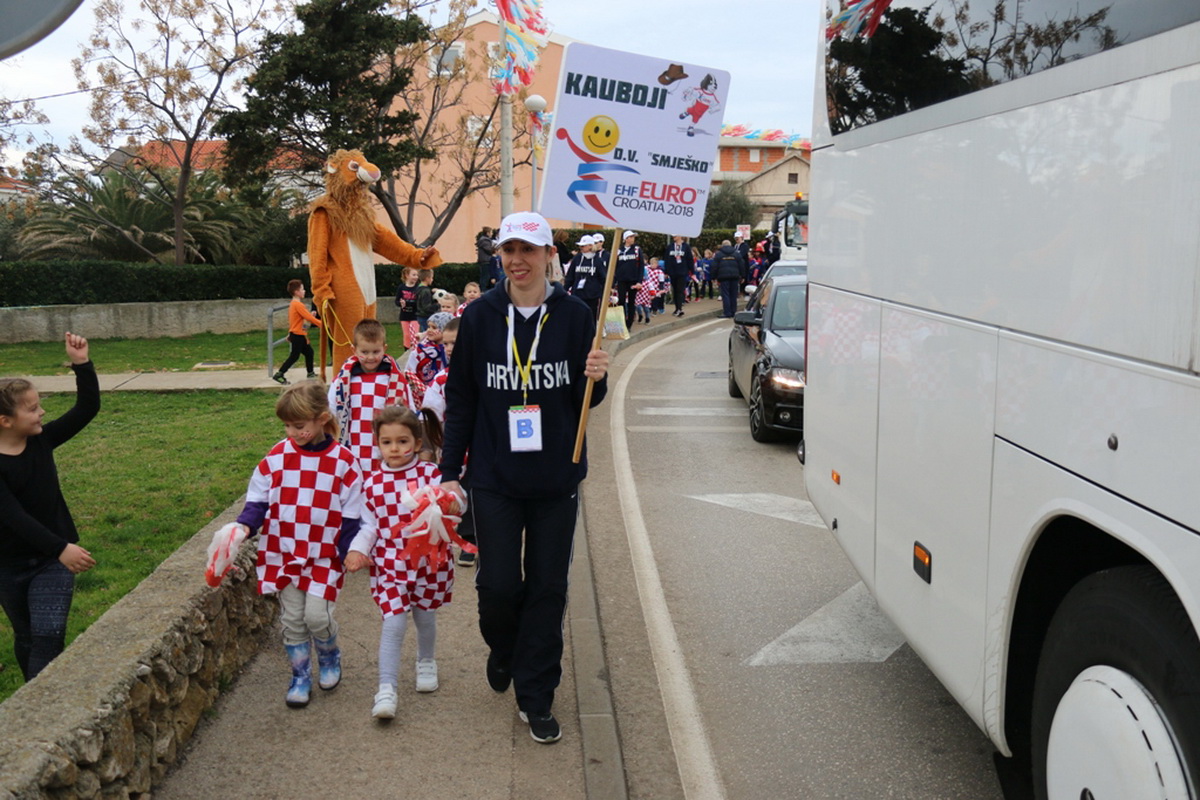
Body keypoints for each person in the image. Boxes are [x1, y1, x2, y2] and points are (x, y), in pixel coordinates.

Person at [439, 211, 610, 745]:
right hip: (493, 475)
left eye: (527, 251)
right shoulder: (481, 316)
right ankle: (504, 648)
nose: (517, 261)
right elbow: (462, 396)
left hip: (556, 478)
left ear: (547, 255)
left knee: (548, 588)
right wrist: (449, 473)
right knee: (497, 586)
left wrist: (597, 379)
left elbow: (586, 401)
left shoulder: (579, 314)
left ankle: (536, 695)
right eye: (508, 251)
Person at [234, 381, 363, 708]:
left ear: (322, 419)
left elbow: (352, 514)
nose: (292, 432)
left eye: (299, 425)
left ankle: (330, 654)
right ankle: (300, 674)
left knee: (317, 617)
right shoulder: (278, 455)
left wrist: (349, 551)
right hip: (284, 552)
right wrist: (244, 526)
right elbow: (258, 496)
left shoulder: (344, 462)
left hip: (324, 555)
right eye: (287, 426)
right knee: (292, 620)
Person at [0, 332, 98, 682]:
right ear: (5, 421)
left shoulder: (42, 441)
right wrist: (62, 547)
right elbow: (12, 517)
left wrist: (82, 364)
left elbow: (87, 408)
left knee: (48, 633)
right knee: (26, 635)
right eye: (32, 408)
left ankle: (40, 713)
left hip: (52, 561)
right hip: (8, 564)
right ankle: (32, 700)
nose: (42, 412)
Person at [344, 405, 452, 719]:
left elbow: (454, 504)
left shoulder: (432, 476)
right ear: (377, 444)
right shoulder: (372, 485)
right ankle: (386, 689)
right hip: (389, 566)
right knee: (393, 625)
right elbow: (369, 525)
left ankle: (426, 661)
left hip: (428, 564)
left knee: (425, 617)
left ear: (417, 443)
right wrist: (357, 550)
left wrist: (450, 503)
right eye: (387, 442)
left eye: (403, 441)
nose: (395, 448)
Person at [328, 319, 415, 475]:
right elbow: (332, 412)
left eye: (376, 352)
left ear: (384, 349)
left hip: (386, 450)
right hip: (352, 448)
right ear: (354, 350)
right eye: (365, 352)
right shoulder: (342, 382)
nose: (370, 357)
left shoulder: (396, 381)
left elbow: (410, 415)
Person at [274, 279, 322, 385]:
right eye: (302, 289)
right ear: (296, 292)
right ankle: (279, 374)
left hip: (298, 334)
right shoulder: (298, 305)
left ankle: (310, 373)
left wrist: (290, 333)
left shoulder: (294, 304)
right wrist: (323, 325)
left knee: (309, 352)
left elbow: (300, 319)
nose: (304, 291)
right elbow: (309, 318)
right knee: (294, 356)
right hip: (297, 335)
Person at [564, 233, 607, 322]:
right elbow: (570, 276)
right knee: (577, 318)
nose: (581, 248)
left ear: (591, 246)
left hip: (592, 296)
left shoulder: (598, 260)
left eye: (583, 246)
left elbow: (603, 278)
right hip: (577, 294)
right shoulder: (577, 258)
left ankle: (591, 335)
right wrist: (564, 290)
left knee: (590, 318)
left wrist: (605, 293)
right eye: (580, 246)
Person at [403, 311, 452, 387]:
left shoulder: (450, 350)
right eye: (429, 326)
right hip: (423, 389)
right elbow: (410, 369)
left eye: (434, 327)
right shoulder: (421, 350)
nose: (429, 330)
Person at [614, 230, 645, 331]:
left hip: (633, 280)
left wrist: (639, 281)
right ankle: (622, 322)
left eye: (633, 237)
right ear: (626, 239)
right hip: (621, 280)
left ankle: (629, 324)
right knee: (621, 300)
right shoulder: (619, 250)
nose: (633, 239)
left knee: (631, 302)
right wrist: (614, 281)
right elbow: (615, 266)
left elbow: (641, 266)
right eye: (631, 237)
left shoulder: (636, 250)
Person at [712, 239, 746, 318]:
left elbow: (714, 266)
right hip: (734, 276)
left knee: (725, 294)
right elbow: (741, 265)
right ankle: (733, 311)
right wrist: (743, 276)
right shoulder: (736, 253)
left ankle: (727, 312)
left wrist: (713, 276)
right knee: (733, 294)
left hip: (723, 276)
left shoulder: (719, 254)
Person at [662, 236, 695, 317]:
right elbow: (666, 259)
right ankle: (677, 308)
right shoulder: (670, 246)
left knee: (680, 290)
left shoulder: (686, 247)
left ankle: (679, 308)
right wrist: (666, 272)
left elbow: (690, 259)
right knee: (675, 290)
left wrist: (692, 272)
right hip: (672, 272)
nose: (674, 237)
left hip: (682, 272)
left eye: (676, 235)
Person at [394, 267, 421, 350]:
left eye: (417, 275)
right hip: (404, 316)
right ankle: (406, 352)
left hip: (415, 316)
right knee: (406, 336)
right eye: (414, 275)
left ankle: (416, 351)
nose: (416, 277)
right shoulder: (401, 287)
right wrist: (401, 303)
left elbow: (418, 303)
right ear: (407, 275)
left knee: (415, 334)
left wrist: (407, 303)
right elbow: (397, 301)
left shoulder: (418, 288)